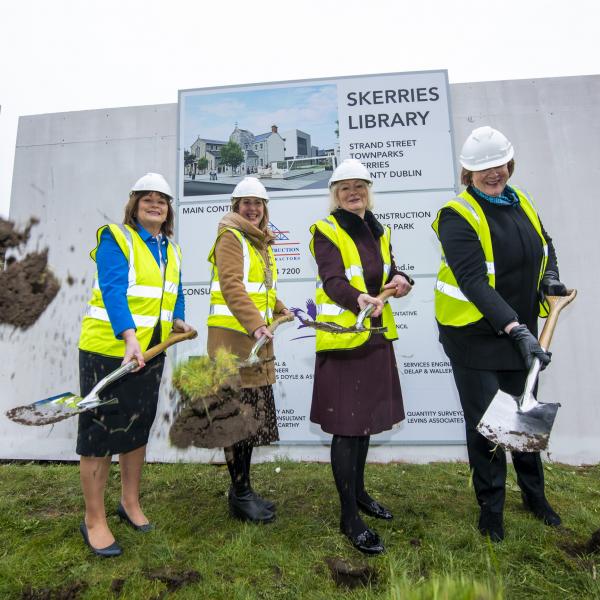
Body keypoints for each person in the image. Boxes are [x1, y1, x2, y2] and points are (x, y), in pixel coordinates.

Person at [432, 126, 568, 542]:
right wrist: (515, 329)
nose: (494, 174)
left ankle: (534, 496)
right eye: (482, 169)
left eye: (499, 165)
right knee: (487, 424)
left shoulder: (519, 199)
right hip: (474, 335)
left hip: (520, 330)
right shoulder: (457, 215)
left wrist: (552, 279)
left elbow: (545, 244)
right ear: (467, 173)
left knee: (524, 414)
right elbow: (473, 280)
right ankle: (491, 506)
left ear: (509, 164)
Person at [77, 172, 193, 557]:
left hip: (150, 354)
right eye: (148, 198)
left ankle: (129, 503)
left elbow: (172, 292)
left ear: (168, 209)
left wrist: (177, 318)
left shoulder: (171, 249)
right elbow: (112, 290)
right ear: (135, 204)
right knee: (99, 434)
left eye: (162, 199)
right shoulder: (116, 237)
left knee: (135, 429)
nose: (156, 204)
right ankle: (94, 519)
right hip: (109, 351)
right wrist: (129, 338)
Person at [309, 159, 413, 554]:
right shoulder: (326, 230)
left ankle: (361, 494)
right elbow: (333, 280)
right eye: (345, 188)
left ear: (368, 191)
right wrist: (358, 299)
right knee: (346, 427)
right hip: (345, 339)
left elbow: (389, 269)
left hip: (374, 334)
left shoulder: (377, 227)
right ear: (334, 194)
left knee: (365, 422)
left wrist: (402, 279)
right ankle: (348, 515)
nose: (353, 193)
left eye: (360, 186)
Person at [207, 176, 291, 524]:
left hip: (255, 341)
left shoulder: (257, 242)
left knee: (249, 421)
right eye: (246, 203)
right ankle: (240, 494)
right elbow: (231, 286)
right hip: (236, 342)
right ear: (236, 206)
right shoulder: (231, 237)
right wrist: (257, 323)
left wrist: (279, 309)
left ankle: (243, 489)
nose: (253, 209)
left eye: (258, 204)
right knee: (238, 422)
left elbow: (261, 290)